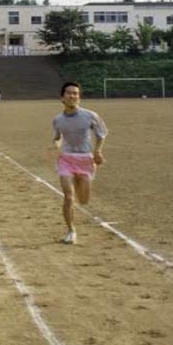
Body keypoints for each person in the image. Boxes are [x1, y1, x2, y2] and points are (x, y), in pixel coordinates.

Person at [51, 81, 107, 244]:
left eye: (76, 93)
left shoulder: (90, 116)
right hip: (66, 159)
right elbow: (58, 137)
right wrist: (55, 145)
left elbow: (101, 134)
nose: (73, 96)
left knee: (83, 200)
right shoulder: (57, 120)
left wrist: (98, 151)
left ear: (79, 97)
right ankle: (71, 231)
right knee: (68, 197)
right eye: (69, 93)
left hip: (85, 160)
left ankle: (80, 191)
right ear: (62, 97)